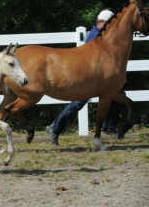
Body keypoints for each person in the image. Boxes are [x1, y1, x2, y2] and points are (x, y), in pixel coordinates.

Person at [45, 10, 125, 146]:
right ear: (101, 23)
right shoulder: (95, 36)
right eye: (109, 23)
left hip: (98, 80)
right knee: (77, 104)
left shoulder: (101, 35)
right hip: (89, 80)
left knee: (120, 97)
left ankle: (109, 126)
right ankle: (54, 128)